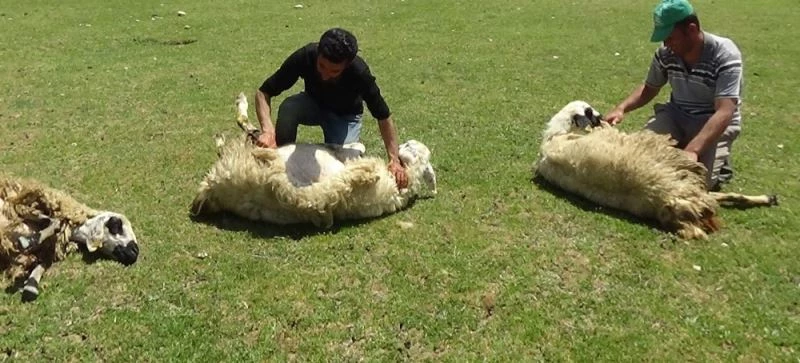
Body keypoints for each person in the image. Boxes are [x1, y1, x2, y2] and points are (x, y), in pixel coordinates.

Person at [603, 0, 743, 191]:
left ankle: (712, 156)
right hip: (676, 115)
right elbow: (649, 88)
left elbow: (725, 111)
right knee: (635, 156)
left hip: (711, 121)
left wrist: (693, 150)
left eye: (670, 37)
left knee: (695, 184)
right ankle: (683, 145)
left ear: (691, 30)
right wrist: (621, 108)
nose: (666, 44)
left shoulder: (725, 54)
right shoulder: (666, 53)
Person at [254, 27, 408, 189]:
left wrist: (394, 160)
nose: (325, 75)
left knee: (343, 167)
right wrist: (268, 130)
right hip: (313, 104)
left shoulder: (359, 72)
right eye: (321, 66)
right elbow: (263, 92)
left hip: (345, 117)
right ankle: (279, 158)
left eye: (334, 71)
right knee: (289, 108)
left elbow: (383, 116)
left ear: (347, 65)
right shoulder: (306, 55)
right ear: (318, 53)